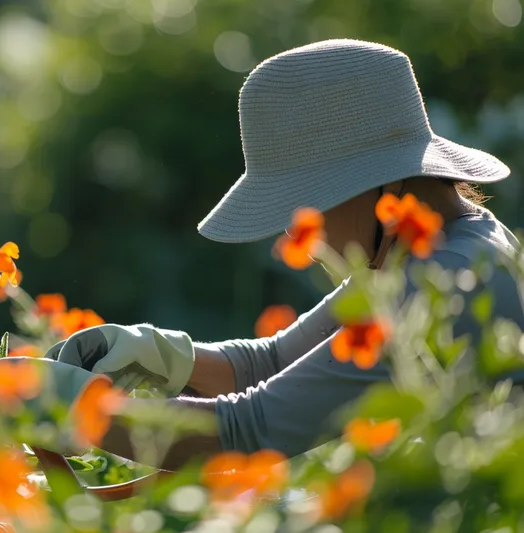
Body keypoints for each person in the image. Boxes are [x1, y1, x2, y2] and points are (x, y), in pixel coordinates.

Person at [41, 39, 524, 468]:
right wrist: (163, 354)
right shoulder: (426, 255)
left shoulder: (453, 280)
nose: (305, 239)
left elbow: (248, 430)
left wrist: (69, 402)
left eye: (307, 208)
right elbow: (272, 364)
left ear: (380, 181)